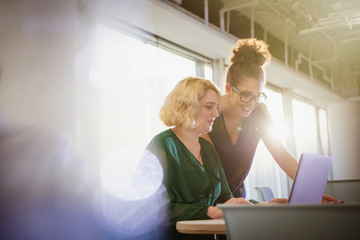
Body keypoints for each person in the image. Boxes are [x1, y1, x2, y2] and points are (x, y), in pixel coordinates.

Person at [201, 38, 338, 203]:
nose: (252, 103)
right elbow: (205, 168)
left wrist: (313, 193)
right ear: (228, 89)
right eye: (246, 95)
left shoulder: (259, 113)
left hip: (237, 201)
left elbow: (282, 156)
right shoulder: (210, 113)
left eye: (258, 96)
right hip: (206, 199)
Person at [146, 77, 251, 239]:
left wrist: (261, 206)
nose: (216, 114)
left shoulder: (207, 148)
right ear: (185, 107)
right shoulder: (162, 146)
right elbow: (152, 207)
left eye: (216, 107)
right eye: (209, 107)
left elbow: (224, 198)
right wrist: (208, 211)